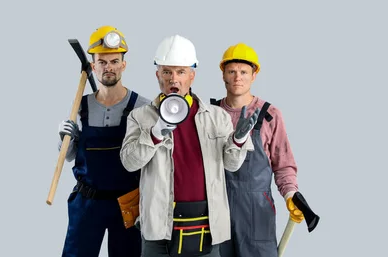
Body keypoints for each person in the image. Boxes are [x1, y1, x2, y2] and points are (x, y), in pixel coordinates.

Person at [118, 35, 260, 257]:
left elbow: (232, 165)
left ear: (192, 76)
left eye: (181, 72)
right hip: (159, 230)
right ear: (158, 75)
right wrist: (155, 133)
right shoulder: (141, 117)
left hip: (208, 227)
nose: (173, 79)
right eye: (167, 72)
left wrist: (239, 139)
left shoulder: (216, 116)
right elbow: (128, 162)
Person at [57, 25, 151, 257]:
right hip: (87, 202)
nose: (108, 67)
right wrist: (64, 139)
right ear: (93, 66)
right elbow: (69, 156)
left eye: (114, 61)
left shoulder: (143, 107)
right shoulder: (80, 105)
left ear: (123, 64)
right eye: (102, 62)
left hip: (128, 204)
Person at [210, 43, 304, 257]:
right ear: (223, 74)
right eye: (231, 71)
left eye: (244, 72)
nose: (237, 77)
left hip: (256, 213)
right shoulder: (210, 114)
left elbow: (284, 165)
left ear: (254, 76)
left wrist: (291, 195)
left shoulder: (270, 115)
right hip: (216, 211)